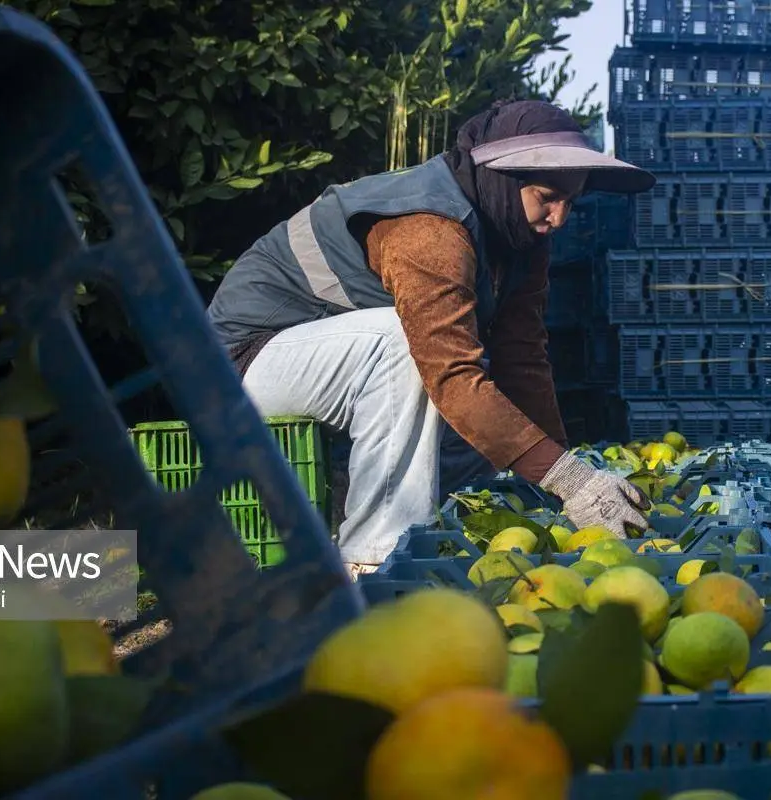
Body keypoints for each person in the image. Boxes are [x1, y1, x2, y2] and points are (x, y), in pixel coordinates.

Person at [206, 99, 657, 574]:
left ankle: (433, 537)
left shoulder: (519, 239)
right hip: (240, 366)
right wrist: (568, 477)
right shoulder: (430, 230)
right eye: (548, 196)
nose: (559, 217)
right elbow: (450, 373)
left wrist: (564, 473)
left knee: (487, 434)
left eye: (572, 201)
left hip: (328, 367)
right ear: (502, 178)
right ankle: (373, 564)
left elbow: (522, 357)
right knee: (406, 346)